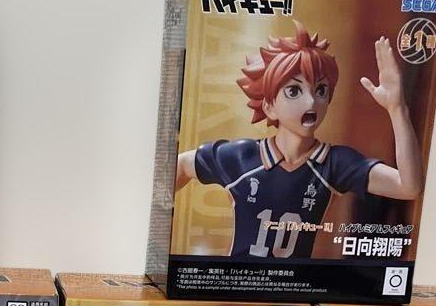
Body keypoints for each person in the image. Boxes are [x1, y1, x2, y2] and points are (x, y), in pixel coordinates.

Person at [175, 21, 421, 259]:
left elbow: (408, 187)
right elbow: (183, 164)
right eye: (294, 91)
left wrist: (397, 108)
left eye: (321, 90)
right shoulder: (241, 157)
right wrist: (158, 215)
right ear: (269, 107)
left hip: (294, 283)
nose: (311, 102)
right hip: (240, 284)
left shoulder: (334, 163)